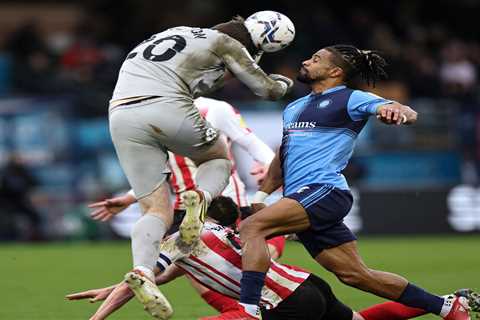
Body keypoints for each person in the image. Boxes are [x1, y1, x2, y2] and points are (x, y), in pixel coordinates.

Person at [210, 44, 470, 320]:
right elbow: (282, 156)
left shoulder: (350, 99)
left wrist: (398, 112)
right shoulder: (295, 107)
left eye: (315, 58)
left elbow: (399, 108)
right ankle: (447, 307)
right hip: (304, 197)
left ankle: (247, 311)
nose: (307, 61)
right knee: (356, 275)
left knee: (252, 228)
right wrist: (260, 196)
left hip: (324, 191)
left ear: (334, 71)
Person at [106, 13, 294, 316]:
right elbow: (267, 90)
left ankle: (142, 270)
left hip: (119, 114)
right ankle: (202, 199)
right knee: (218, 157)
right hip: (165, 104)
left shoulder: (176, 31)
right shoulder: (226, 43)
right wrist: (284, 83)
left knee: (155, 210)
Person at [67, 197, 477, 320]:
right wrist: (117, 288)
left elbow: (151, 273)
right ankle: (445, 303)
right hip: (305, 286)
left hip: (278, 304)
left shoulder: (175, 245)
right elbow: (156, 275)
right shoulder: (213, 235)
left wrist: (100, 315)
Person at [89, 96, 286, 313]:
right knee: (232, 280)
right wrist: (130, 196)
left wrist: (270, 169)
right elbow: (159, 167)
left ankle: (121, 292)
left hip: (224, 208)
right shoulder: (155, 115)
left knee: (184, 271)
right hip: (194, 214)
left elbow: (250, 142)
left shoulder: (214, 109)